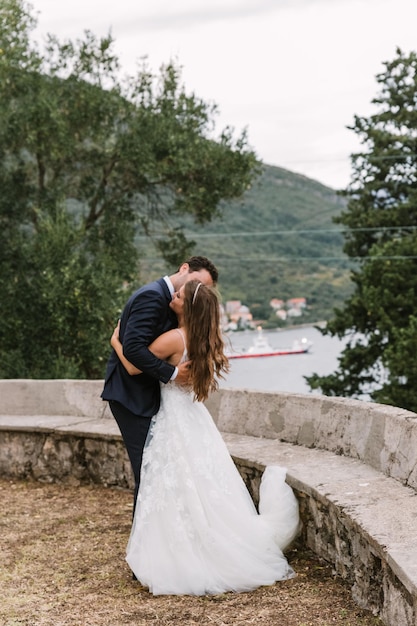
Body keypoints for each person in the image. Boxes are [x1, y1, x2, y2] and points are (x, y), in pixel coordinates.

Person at [110, 279, 300, 596]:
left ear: (189, 307)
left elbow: (131, 365)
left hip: (174, 420)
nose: (175, 294)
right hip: (194, 418)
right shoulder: (202, 340)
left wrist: (117, 340)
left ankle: (186, 552)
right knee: (202, 484)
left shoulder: (173, 338)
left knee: (178, 484)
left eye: (181, 295)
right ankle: (205, 542)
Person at [101, 256, 218, 513]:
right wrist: (172, 373)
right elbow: (134, 351)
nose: (191, 291)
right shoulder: (153, 296)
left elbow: (132, 354)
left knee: (154, 470)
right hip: (132, 397)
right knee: (150, 470)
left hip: (160, 402)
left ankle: (156, 531)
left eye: (202, 289)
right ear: (184, 268)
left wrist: (114, 341)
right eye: (197, 282)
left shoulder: (177, 328)